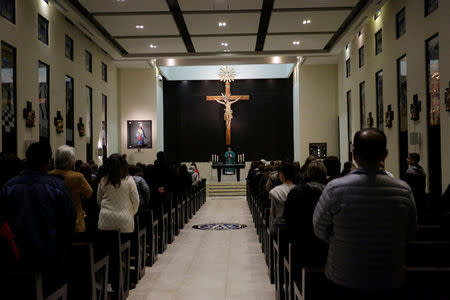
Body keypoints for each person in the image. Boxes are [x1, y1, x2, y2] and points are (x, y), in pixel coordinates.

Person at [313, 128, 417, 298]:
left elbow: (318, 227)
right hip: (389, 278)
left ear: (354, 155)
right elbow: (410, 233)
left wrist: (339, 239)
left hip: (344, 275)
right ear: (385, 154)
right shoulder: (403, 191)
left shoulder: (334, 189)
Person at [0, 142, 75, 293]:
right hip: (50, 257)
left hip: (17, 259)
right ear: (49, 162)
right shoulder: (57, 186)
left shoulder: (9, 186)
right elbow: (69, 221)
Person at [284, 160, 328, 263]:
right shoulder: (329, 192)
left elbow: (287, 216)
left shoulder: (296, 192)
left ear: (307, 173)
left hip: (300, 243)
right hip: (324, 245)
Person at [50, 145, 93, 232]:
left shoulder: (49, 175)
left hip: (53, 222)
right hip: (75, 222)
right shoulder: (77, 177)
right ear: (71, 162)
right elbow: (89, 193)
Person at [97, 154, 139, 233]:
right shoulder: (129, 180)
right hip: (124, 220)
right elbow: (136, 201)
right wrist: (130, 212)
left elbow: (99, 200)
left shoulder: (103, 180)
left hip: (105, 220)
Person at [269, 163, 296, 235]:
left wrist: (271, 229)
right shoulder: (298, 190)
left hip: (280, 226)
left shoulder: (275, 191)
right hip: (294, 226)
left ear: (282, 175)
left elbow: (272, 213)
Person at [402, 153, 426, 222]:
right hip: (421, 194)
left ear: (413, 161)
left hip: (413, 195)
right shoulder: (421, 170)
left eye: (408, 158)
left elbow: (407, 184)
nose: (406, 159)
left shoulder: (410, 172)